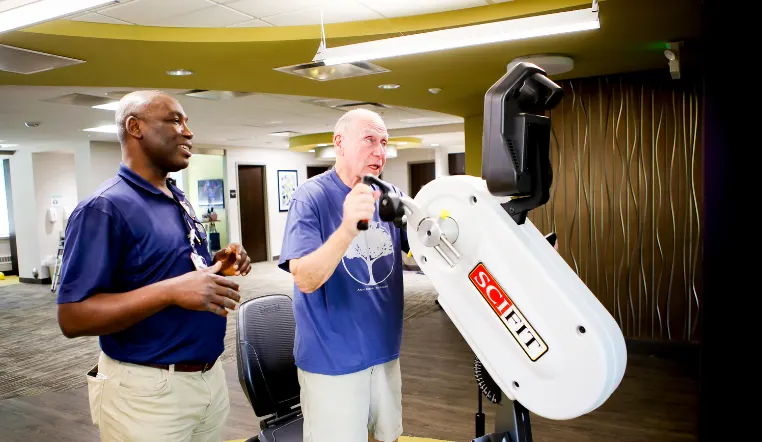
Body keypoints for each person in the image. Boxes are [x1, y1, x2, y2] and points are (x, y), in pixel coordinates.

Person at [56, 90, 252, 442]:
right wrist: (172, 291)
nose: (188, 132)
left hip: (208, 380)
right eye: (175, 120)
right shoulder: (103, 209)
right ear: (135, 127)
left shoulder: (177, 197)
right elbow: (72, 317)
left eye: (187, 122)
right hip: (147, 393)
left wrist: (218, 267)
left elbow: (175, 272)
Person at [278, 108, 408, 442]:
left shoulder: (389, 194)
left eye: (384, 142)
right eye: (369, 140)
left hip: (384, 354)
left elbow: (427, 248)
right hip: (332, 360)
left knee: (386, 437)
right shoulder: (311, 197)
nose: (380, 151)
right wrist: (348, 227)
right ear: (339, 143)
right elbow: (305, 278)